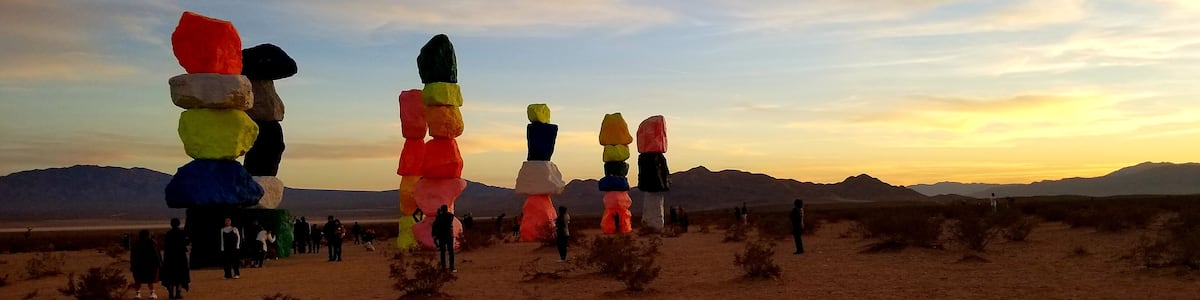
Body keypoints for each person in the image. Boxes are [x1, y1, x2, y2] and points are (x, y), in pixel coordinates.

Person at [160, 218, 190, 300]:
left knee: (170, 276)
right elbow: (185, 243)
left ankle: (170, 294)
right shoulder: (182, 233)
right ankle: (178, 293)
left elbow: (165, 246)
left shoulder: (168, 234)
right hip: (180, 257)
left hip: (170, 258)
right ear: (179, 224)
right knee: (180, 275)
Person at [130, 229, 161, 299]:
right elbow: (156, 254)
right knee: (150, 279)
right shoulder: (152, 243)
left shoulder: (136, 243)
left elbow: (133, 255)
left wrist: (132, 264)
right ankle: (152, 293)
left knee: (138, 279)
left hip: (138, 265)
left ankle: (138, 294)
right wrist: (159, 264)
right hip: (149, 264)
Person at [432, 205, 457, 272]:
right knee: (451, 252)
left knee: (442, 252)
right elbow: (451, 216)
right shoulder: (450, 216)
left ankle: (443, 267)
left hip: (442, 236)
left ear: (441, 209)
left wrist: (438, 214)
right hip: (449, 235)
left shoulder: (439, 217)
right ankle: (452, 267)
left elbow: (435, 225)